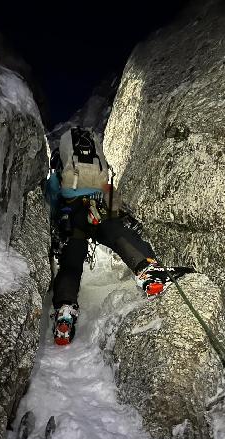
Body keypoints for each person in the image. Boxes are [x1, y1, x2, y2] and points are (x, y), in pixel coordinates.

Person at [45, 126, 193, 345]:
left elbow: (53, 198)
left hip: (73, 213)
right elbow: (108, 187)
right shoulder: (96, 162)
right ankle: (148, 271)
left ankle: (65, 309)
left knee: (72, 262)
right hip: (99, 208)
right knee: (119, 236)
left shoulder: (61, 165)